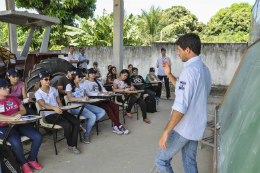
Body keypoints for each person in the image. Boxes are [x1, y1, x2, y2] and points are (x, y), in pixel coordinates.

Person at [156, 33, 212, 173]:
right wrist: (169, 74)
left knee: (161, 160)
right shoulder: (205, 70)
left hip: (184, 128)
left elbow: (181, 106)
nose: (177, 53)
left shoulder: (189, 71)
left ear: (188, 50)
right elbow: (185, 92)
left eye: (179, 50)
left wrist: (166, 131)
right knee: (189, 162)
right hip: (196, 127)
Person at [0, 79, 42, 173]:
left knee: (38, 136)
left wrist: (14, 115)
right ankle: (23, 163)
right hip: (4, 126)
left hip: (19, 123)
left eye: (8, 87)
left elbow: (23, 110)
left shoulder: (14, 98)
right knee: (16, 142)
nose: (8, 89)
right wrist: (11, 118)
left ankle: (31, 159)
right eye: (4, 88)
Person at [35, 71, 81, 154]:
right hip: (49, 114)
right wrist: (55, 108)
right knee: (67, 125)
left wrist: (61, 106)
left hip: (59, 111)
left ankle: (72, 143)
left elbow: (58, 101)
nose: (48, 81)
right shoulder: (38, 93)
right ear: (40, 81)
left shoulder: (53, 89)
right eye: (46, 79)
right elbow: (44, 105)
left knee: (76, 122)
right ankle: (71, 145)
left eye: (49, 79)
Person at [84, 68, 129, 134]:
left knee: (116, 106)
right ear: (88, 74)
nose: (93, 75)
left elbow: (103, 90)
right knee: (108, 108)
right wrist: (100, 94)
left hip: (102, 98)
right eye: (91, 73)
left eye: (94, 73)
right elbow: (88, 93)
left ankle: (116, 127)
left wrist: (108, 92)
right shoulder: (86, 82)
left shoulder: (98, 81)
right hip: (94, 101)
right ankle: (119, 125)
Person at [66, 69, 106, 143]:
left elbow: (85, 96)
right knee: (93, 116)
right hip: (75, 107)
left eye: (81, 77)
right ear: (74, 76)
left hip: (85, 105)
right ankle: (86, 134)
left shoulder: (82, 85)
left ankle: (84, 124)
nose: (80, 78)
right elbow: (70, 98)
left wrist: (86, 98)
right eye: (79, 77)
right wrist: (83, 98)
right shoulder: (69, 86)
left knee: (102, 111)